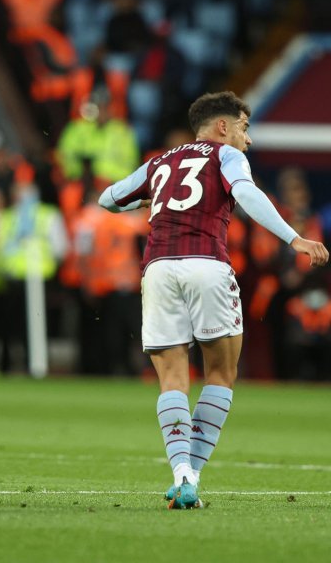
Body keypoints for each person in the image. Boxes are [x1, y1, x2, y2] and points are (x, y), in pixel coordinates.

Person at [98, 91, 329, 509]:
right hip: (207, 263)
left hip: (159, 268)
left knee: (171, 379)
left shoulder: (160, 161)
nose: (248, 139)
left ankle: (181, 473)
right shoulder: (226, 155)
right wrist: (293, 237)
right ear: (222, 126)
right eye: (244, 127)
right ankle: (195, 475)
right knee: (220, 374)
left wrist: (149, 200)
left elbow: (108, 198)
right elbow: (248, 194)